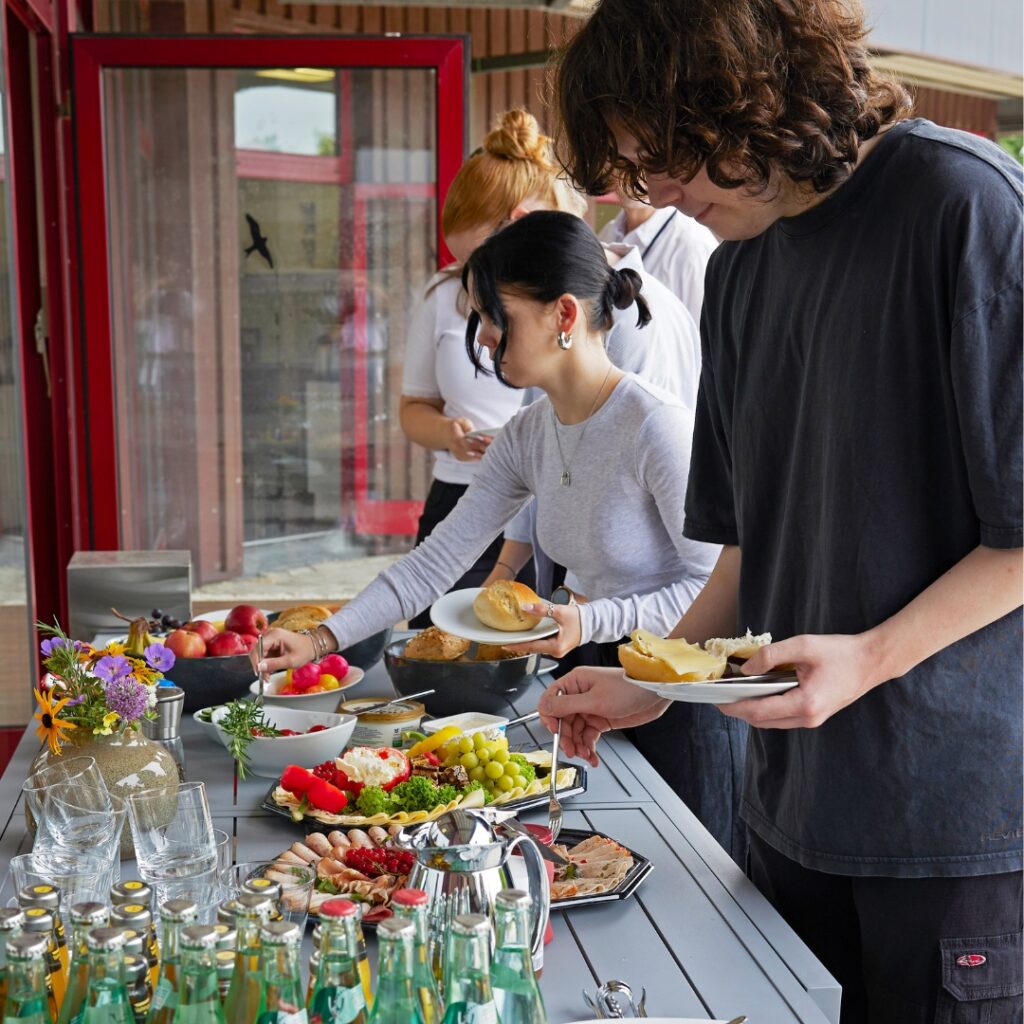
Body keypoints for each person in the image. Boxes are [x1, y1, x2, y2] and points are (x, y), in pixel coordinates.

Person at [536, 1, 1023, 1021]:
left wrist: (870, 658)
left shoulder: (965, 206)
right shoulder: (743, 269)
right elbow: (749, 549)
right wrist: (650, 682)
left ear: (750, 89)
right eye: (634, 165)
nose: (655, 190)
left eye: (666, 152)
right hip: (786, 806)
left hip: (951, 825)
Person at [260, 210, 720, 733]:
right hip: (591, 671)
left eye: (496, 316)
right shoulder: (527, 433)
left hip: (684, 690)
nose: (482, 338)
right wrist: (321, 639)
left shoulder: (656, 427)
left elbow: (717, 586)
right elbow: (433, 563)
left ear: (564, 316)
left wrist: (594, 621)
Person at [400, 109, 579, 626]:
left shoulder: (603, 307)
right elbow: (414, 407)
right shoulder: (442, 296)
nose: (484, 337)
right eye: (462, 269)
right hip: (470, 497)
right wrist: (447, 434)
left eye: (478, 264)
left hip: (551, 509)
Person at [598, 186, 718, 327]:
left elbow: (705, 336)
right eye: (623, 164)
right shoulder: (608, 234)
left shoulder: (693, 246)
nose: (636, 176)